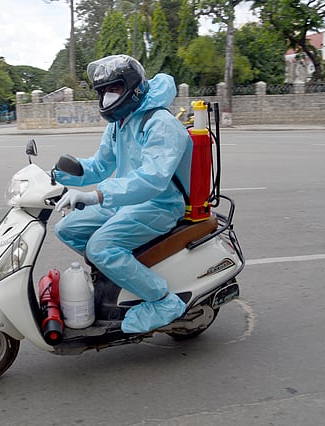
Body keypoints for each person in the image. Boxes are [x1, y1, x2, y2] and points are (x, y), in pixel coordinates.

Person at [54, 54, 193, 334]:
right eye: (103, 90)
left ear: (133, 88)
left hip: (160, 204)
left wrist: (96, 196)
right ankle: (119, 275)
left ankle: (163, 301)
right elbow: (101, 165)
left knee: (100, 248)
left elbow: (152, 179)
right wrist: (59, 175)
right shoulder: (119, 123)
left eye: (114, 88)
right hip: (124, 201)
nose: (108, 96)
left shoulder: (160, 123)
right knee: (67, 228)